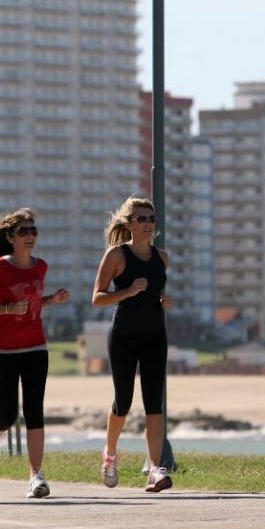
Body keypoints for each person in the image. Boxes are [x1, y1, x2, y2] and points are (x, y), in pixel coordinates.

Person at [0, 208, 70, 499]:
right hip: (2, 348)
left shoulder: (41, 267)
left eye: (34, 231)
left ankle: (36, 476)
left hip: (36, 346)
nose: (30, 236)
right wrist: (6, 309)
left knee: (34, 412)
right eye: (24, 232)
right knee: (7, 413)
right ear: (11, 238)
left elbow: (33, 301)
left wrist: (52, 299)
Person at [92, 197, 174, 492]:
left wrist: (164, 302)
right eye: (141, 219)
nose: (148, 224)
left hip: (155, 335)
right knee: (123, 401)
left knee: (155, 404)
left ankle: (155, 469)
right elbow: (97, 297)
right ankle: (110, 455)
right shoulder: (116, 256)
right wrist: (126, 291)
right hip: (124, 335)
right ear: (128, 224)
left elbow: (155, 294)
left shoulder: (161, 257)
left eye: (151, 219)